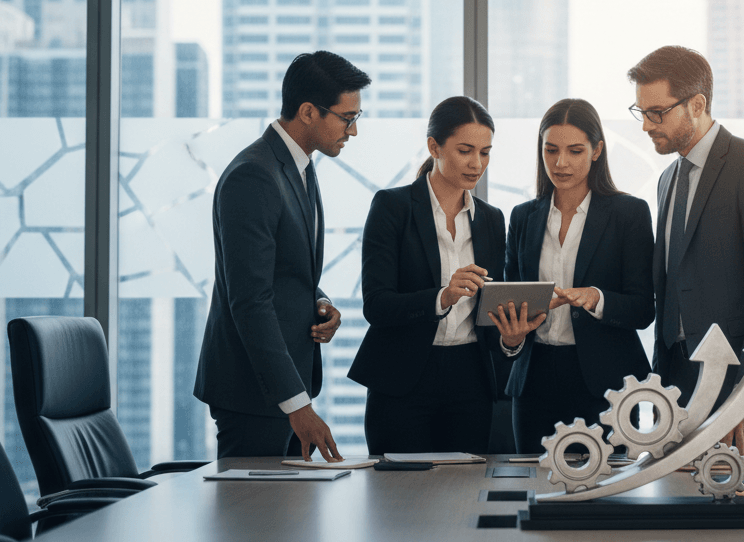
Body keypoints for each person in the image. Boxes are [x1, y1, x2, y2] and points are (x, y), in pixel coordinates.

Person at [627, 46, 744, 457]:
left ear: (697, 104)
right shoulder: (668, 180)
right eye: (641, 113)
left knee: (742, 514)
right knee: (679, 514)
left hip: (739, 383)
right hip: (677, 385)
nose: (646, 126)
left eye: (657, 112)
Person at [194, 50, 371, 460]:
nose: (353, 131)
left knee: (288, 519)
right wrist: (297, 404)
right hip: (253, 393)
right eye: (348, 118)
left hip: (282, 387)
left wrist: (319, 300)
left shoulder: (297, 168)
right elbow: (249, 299)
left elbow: (284, 267)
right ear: (309, 111)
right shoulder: (254, 174)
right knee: (254, 521)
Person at [349, 96, 545, 455]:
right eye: (465, 150)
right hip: (403, 378)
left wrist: (511, 340)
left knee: (463, 495)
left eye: (485, 152)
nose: (476, 163)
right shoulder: (392, 207)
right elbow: (376, 305)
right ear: (434, 147)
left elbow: (489, 314)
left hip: (469, 379)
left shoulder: (491, 219)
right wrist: (444, 296)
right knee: (400, 496)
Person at [504, 98, 655, 454]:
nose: (561, 162)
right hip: (534, 382)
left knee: (606, 498)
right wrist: (511, 337)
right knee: (532, 490)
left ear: (597, 150)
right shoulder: (523, 216)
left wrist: (598, 298)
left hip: (606, 385)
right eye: (551, 150)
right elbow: (510, 299)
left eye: (575, 151)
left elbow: (642, 309)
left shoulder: (629, 214)